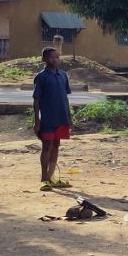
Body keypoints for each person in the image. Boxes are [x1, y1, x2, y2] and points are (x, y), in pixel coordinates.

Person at [32, 47, 73, 191]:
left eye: (57, 57)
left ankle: (52, 177)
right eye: (51, 57)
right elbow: (36, 100)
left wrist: (69, 118)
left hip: (61, 117)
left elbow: (65, 98)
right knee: (47, 146)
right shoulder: (41, 77)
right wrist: (36, 121)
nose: (55, 60)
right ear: (44, 59)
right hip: (47, 119)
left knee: (56, 145)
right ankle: (44, 179)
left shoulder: (63, 75)